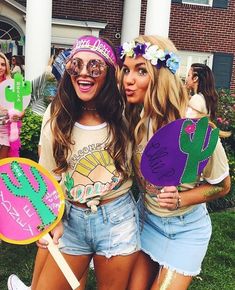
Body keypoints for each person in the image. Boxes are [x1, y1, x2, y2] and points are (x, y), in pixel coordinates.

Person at [8, 35, 140, 290]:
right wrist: (51, 219)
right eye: (75, 64)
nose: (84, 73)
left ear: (109, 73)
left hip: (117, 221)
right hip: (71, 218)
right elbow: (46, 175)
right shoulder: (57, 114)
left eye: (95, 66)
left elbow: (161, 97)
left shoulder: (126, 113)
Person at [117, 35, 231, 289]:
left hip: (186, 231)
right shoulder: (132, 120)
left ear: (161, 76)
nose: (129, 79)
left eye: (140, 71)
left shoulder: (195, 129)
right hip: (147, 222)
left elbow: (222, 187)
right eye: (126, 70)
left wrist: (182, 199)